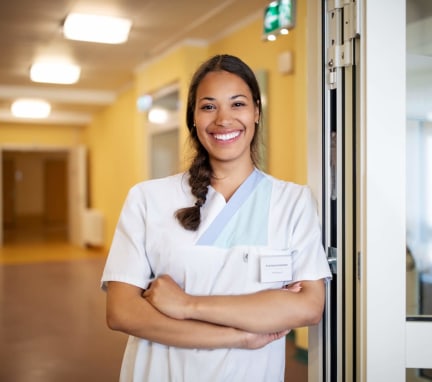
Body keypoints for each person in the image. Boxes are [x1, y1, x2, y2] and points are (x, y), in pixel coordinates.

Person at [101, 54, 331, 382]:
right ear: (192, 119)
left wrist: (186, 305)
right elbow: (122, 312)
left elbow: (308, 307)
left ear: (256, 113)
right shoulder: (148, 198)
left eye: (237, 104)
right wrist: (239, 335)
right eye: (208, 106)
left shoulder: (292, 201)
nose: (223, 119)